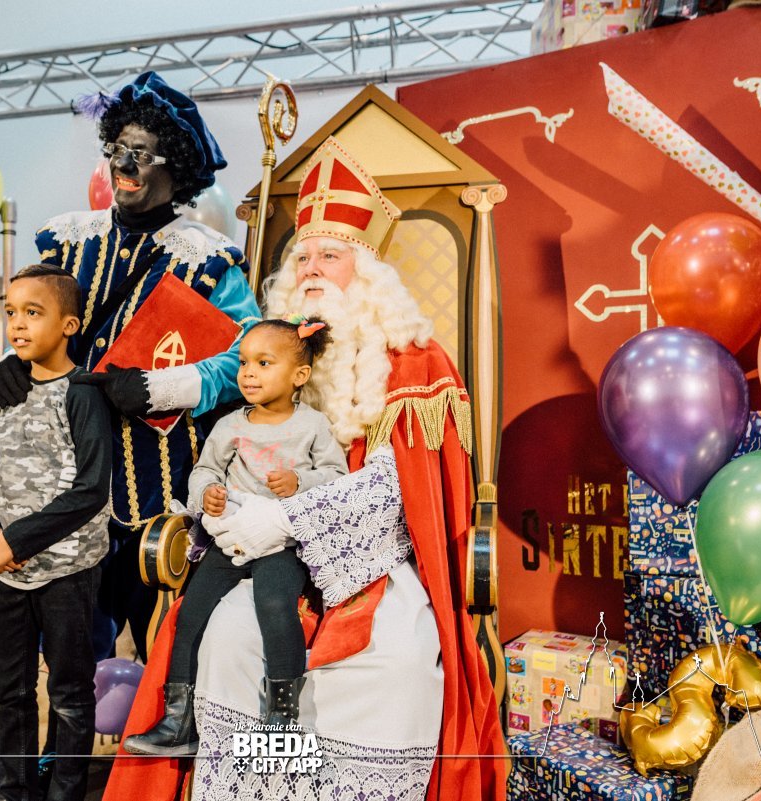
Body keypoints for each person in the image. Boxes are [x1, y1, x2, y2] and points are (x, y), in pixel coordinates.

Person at [105, 137, 506, 801]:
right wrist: (223, 507)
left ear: (367, 273)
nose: (313, 268)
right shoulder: (269, 359)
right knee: (229, 637)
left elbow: (395, 491)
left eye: (331, 255)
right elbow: (230, 450)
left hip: (373, 560)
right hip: (264, 554)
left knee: (400, 661)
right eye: (304, 256)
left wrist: (289, 518)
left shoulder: (413, 360)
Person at [0, 71, 260, 660]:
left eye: (143, 153)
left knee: (167, 646)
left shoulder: (209, 260)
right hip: (64, 485)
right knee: (69, 653)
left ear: (176, 170)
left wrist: (164, 386)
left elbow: (251, 358)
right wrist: (9, 361)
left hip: (158, 488)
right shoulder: (66, 243)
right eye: (117, 148)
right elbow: (31, 318)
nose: (124, 164)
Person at [123, 317, 346, 756]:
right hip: (230, 539)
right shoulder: (229, 426)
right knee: (190, 613)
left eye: (264, 363)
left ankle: (283, 718)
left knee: (274, 604)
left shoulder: (313, 426)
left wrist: (300, 481)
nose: (248, 373)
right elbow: (205, 470)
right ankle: (179, 721)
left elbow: (336, 478)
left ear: (299, 375)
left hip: (281, 543)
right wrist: (208, 493)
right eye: (244, 363)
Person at [0, 264, 114, 801]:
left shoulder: (82, 395)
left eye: (33, 312)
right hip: (6, 569)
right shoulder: (5, 393)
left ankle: (65, 793)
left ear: (69, 325)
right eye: (11, 312)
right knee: (9, 690)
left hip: (67, 573)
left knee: (70, 691)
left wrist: (17, 539)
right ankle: (18, 789)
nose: (18, 324)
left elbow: (91, 490)